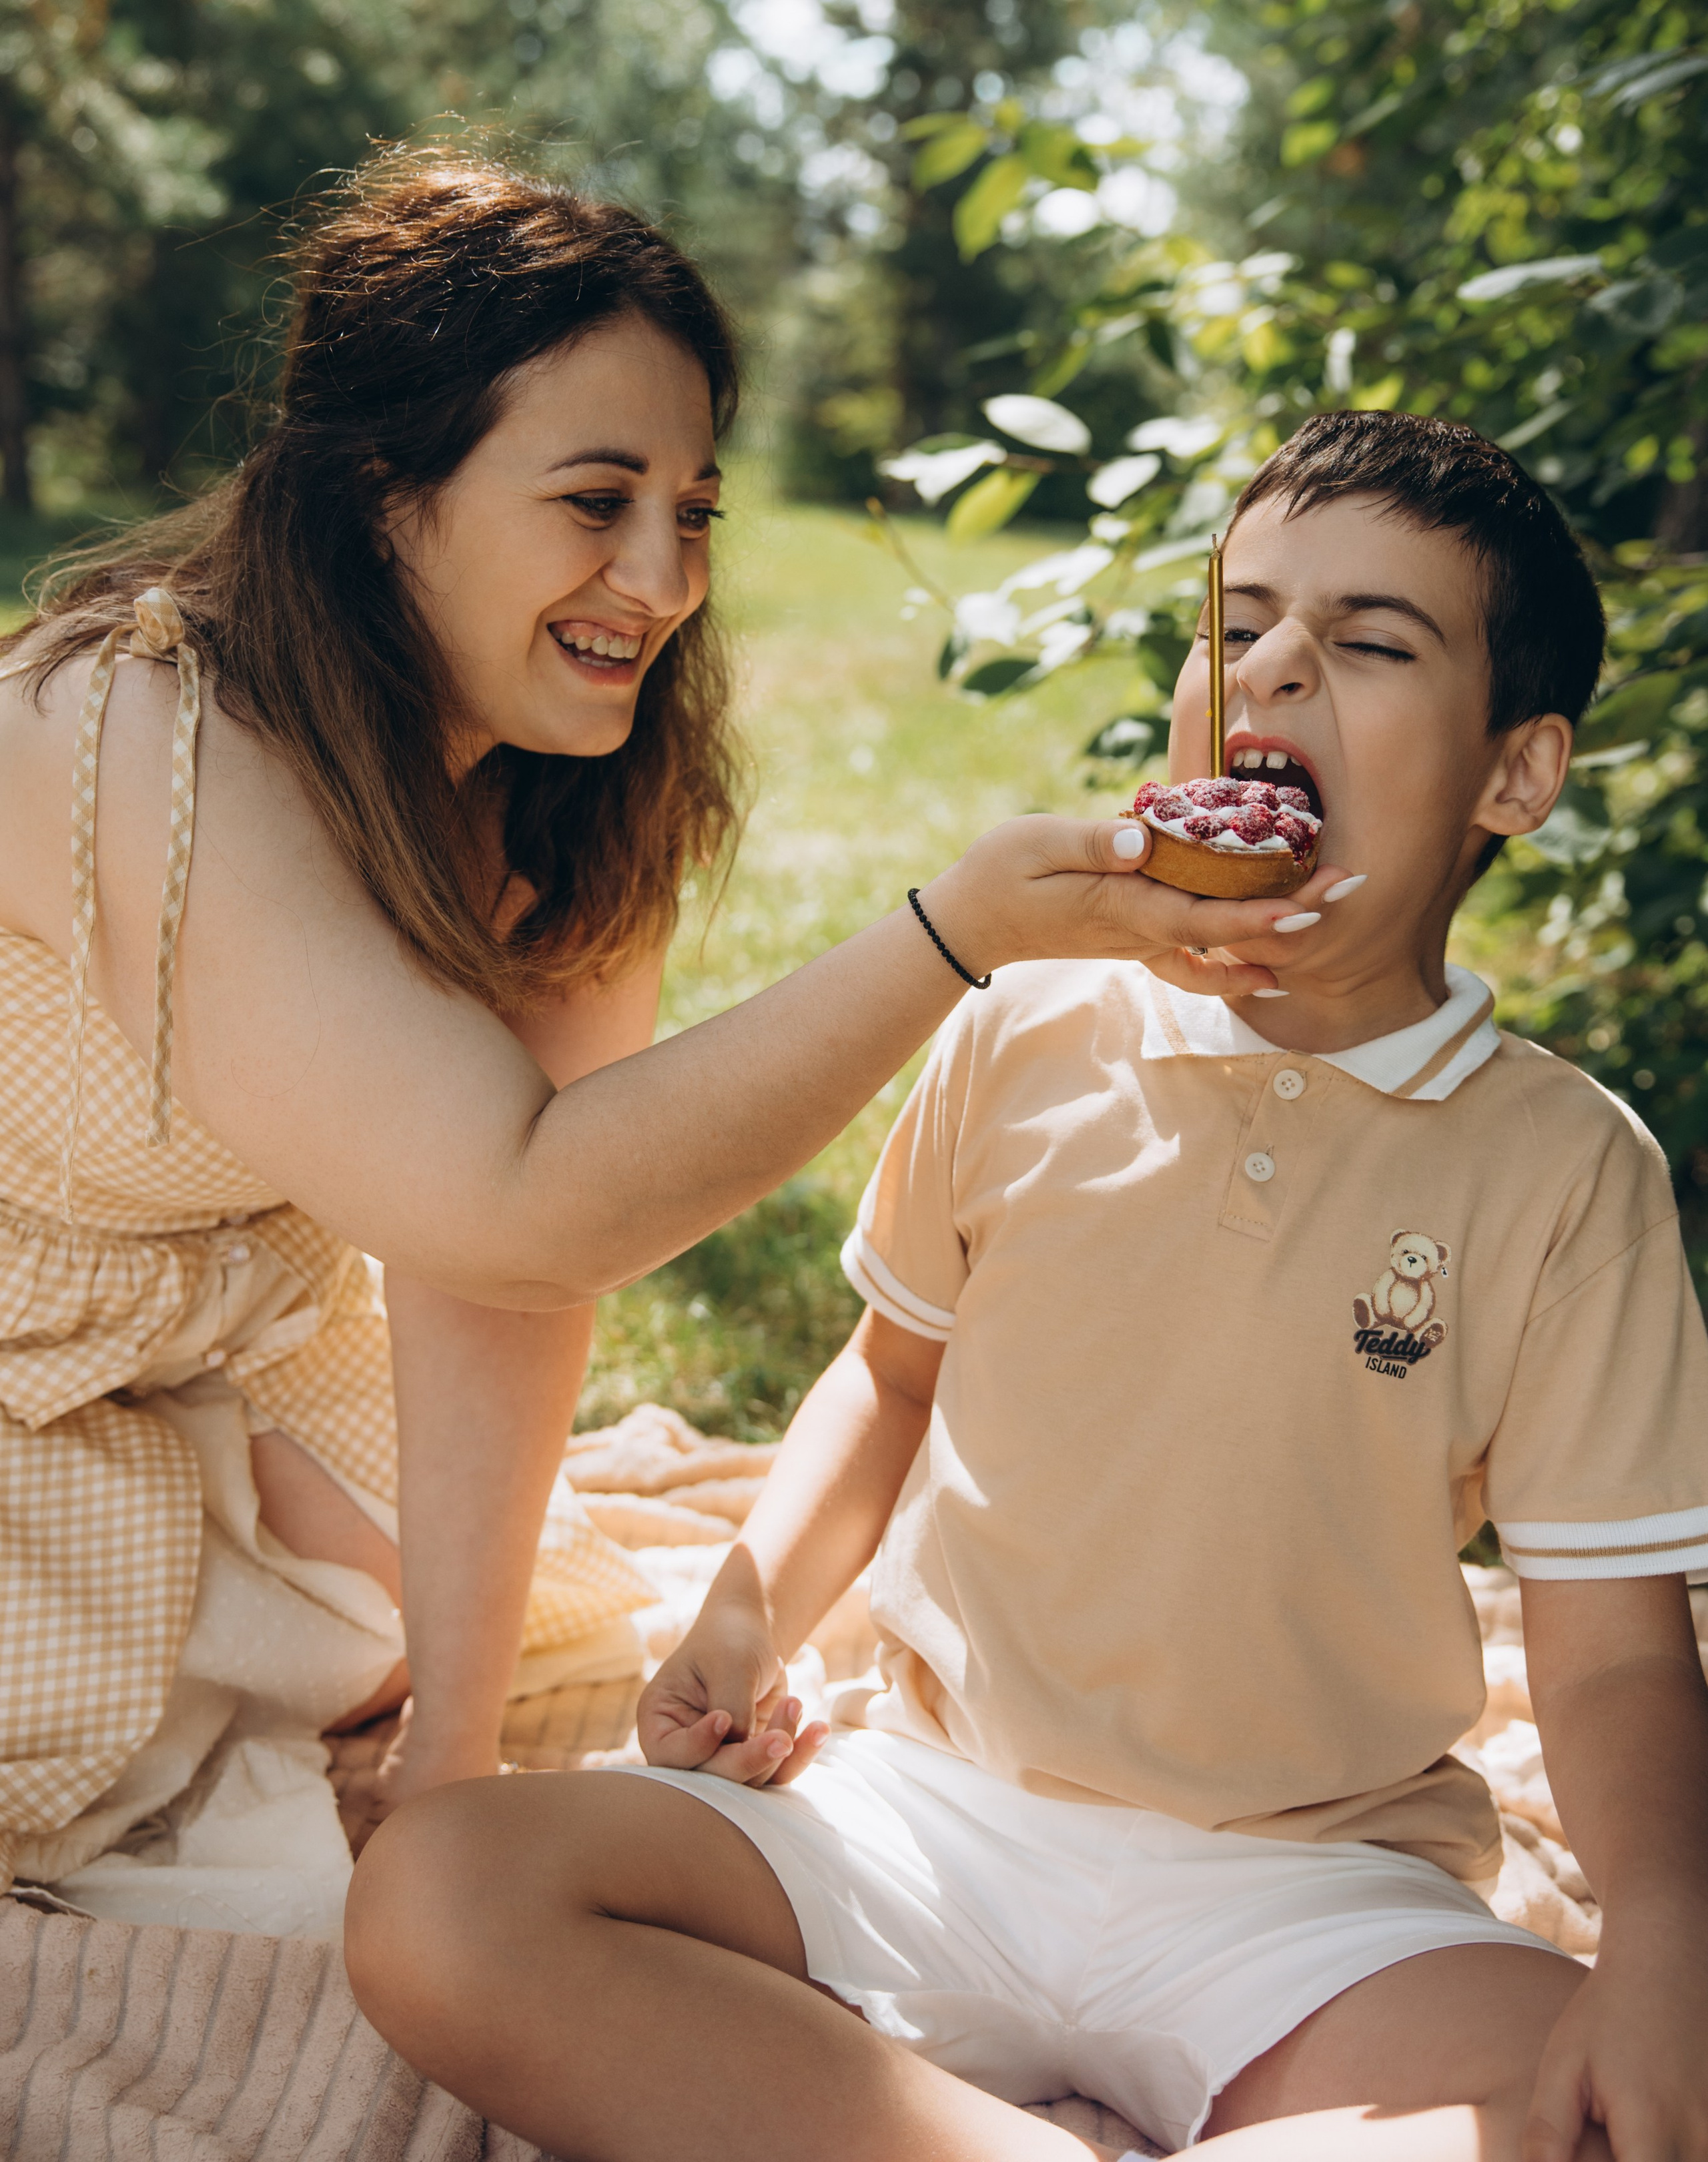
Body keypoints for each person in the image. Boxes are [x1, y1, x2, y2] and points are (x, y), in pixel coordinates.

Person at [347, 412, 1708, 2161]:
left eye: (1369, 644)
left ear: (1515, 777)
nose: (1277, 665)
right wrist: (753, 1605)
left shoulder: (1567, 1168)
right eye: (1241, 628)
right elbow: (891, 1379)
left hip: (1323, 1909)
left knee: (1585, 2105)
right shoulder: (1026, 1024)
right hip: (922, 1815)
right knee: (440, 1897)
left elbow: (1605, 1663)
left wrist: (1665, 1940)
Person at [0, 153, 1332, 1912]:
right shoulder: (142, 738)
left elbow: (519, 1271)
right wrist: (960, 936)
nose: (659, 577)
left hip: (208, 1354)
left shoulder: (544, 784)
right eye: (596, 499)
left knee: (443, 1652)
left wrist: (454, 1758)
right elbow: (526, 1198)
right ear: (383, 485)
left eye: (693, 510)